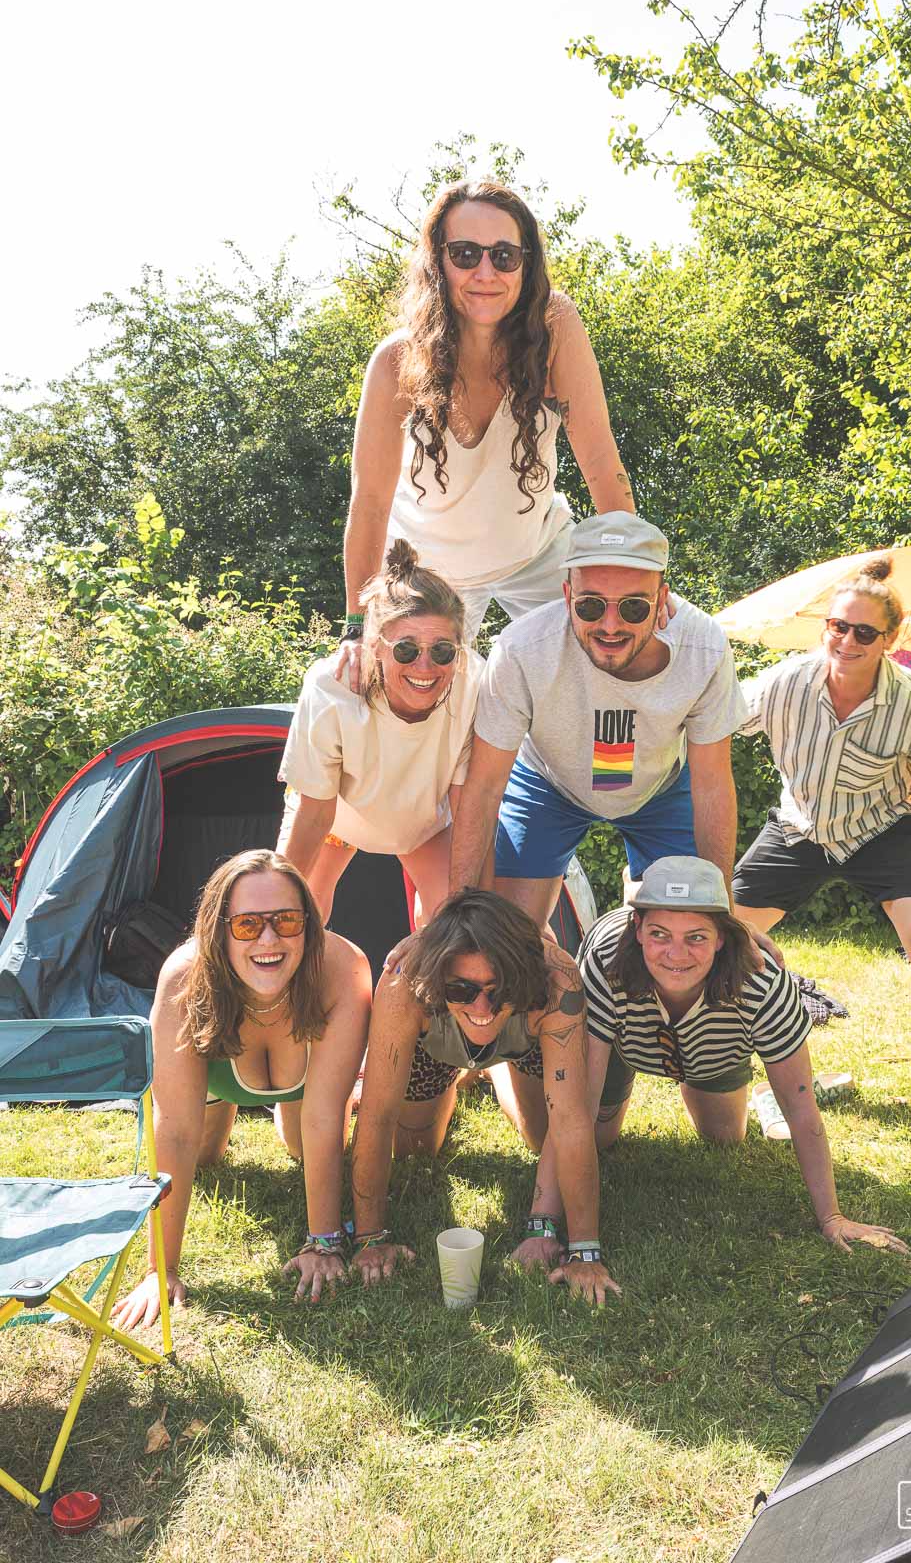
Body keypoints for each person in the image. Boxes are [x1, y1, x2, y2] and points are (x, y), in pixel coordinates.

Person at [732, 557, 911, 1148]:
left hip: (885, 827)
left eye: (864, 632)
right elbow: (707, 724)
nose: (846, 641)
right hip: (802, 825)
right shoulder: (783, 682)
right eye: (837, 627)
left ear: (890, 640)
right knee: (719, 938)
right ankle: (730, 1081)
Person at [337, 177, 640, 671]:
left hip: (536, 552)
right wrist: (356, 625)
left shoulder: (553, 328)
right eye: (464, 254)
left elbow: (602, 462)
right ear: (437, 261)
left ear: (526, 265)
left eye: (503, 256)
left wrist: (634, 574)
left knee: (609, 662)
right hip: (429, 570)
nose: (485, 271)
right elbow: (369, 503)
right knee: (405, 688)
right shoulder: (397, 360)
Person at [577, 857, 908, 1253]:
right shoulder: (605, 958)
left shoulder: (763, 981)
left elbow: (801, 1109)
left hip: (712, 1052)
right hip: (618, 1043)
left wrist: (832, 1218)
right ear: (637, 930)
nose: (676, 954)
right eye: (660, 934)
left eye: (696, 937)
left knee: (725, 1137)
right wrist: (550, 1228)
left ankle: (729, 1087)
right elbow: (576, 1114)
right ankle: (505, 1071)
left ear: (722, 937)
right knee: (593, 1136)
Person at [448, 511, 749, 933]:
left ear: (662, 601)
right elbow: (482, 787)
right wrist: (456, 912)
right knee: (510, 934)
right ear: (567, 595)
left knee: (691, 931)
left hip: (658, 788)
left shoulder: (704, 647)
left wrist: (724, 913)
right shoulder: (521, 649)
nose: (610, 625)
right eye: (590, 606)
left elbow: (713, 781)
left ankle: (642, 889)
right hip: (548, 784)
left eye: (633, 607)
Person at [113, 850, 372, 1329]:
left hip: (306, 1085)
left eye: (287, 921)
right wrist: (159, 1271)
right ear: (218, 929)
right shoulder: (183, 978)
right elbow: (173, 1133)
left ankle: (282, 1103)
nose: (269, 939)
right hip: (217, 1074)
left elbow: (324, 1117)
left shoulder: (343, 968)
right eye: (248, 925)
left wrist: (324, 1242)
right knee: (204, 1153)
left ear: (309, 926)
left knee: (306, 1145)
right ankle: (229, 1100)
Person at [350, 887, 620, 1305]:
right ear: (438, 979)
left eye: (499, 991)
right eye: (461, 990)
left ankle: (494, 1070)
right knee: (417, 1149)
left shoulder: (557, 982)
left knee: (540, 1136)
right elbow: (377, 1114)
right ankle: (466, 1074)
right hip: (435, 1048)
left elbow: (569, 1121)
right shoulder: (402, 982)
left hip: (524, 1041)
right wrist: (370, 1238)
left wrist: (584, 1250)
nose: (482, 1006)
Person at [278, 540, 483, 926]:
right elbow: (315, 811)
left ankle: (420, 973)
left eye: (442, 651)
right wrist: (277, 904)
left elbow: (468, 804)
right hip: (337, 820)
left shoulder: (473, 682)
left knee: (460, 924)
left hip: (421, 826)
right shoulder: (332, 687)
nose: (425, 667)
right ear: (375, 646)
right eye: (406, 650)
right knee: (294, 917)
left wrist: (467, 902)